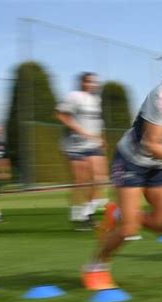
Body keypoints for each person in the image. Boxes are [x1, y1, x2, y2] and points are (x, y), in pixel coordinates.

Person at [82, 30, 162, 290]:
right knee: (128, 229)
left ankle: (118, 212)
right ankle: (96, 265)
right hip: (131, 161)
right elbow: (151, 143)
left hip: (160, 165)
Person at [55, 72, 109, 230]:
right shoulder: (74, 96)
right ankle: (79, 213)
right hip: (76, 146)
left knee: (99, 178)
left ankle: (86, 212)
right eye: (89, 82)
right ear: (82, 83)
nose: (93, 85)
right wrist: (82, 132)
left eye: (95, 82)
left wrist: (101, 138)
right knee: (81, 182)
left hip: (93, 145)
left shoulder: (96, 100)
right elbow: (61, 115)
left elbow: (98, 121)